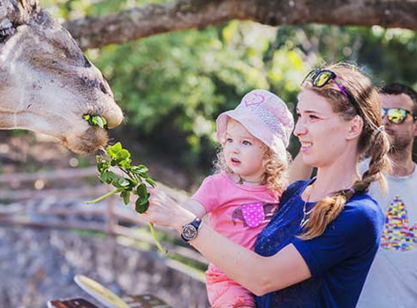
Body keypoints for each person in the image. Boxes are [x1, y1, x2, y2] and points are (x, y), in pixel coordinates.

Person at [140, 64, 388, 308]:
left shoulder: (359, 215)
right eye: (300, 115)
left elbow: (263, 278)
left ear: (353, 127)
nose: (299, 130)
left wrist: (182, 220)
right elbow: (241, 222)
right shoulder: (293, 194)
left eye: (313, 117)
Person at [287, 82, 417, 308]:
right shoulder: (352, 177)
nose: (386, 120)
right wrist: (311, 138)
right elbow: (290, 192)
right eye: (381, 113)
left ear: (415, 126)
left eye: (397, 114)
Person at [181, 89, 293, 308]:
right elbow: (188, 211)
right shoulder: (218, 185)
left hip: (262, 277)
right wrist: (174, 212)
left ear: (269, 153)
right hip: (227, 279)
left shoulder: (277, 191)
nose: (234, 148)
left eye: (246, 143)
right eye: (230, 140)